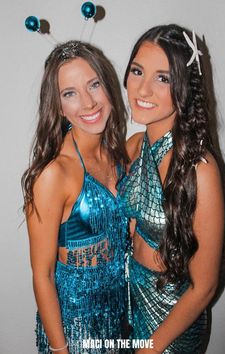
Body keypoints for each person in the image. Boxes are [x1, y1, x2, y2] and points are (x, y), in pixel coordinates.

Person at [118, 24, 224, 353]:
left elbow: (204, 288)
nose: (143, 89)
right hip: (130, 305)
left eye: (162, 78)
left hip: (171, 324)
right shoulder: (135, 145)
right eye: (137, 71)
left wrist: (150, 348)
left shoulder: (200, 170)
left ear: (184, 87)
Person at [22, 40, 130, 354]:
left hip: (120, 321)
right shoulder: (54, 174)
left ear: (108, 86)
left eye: (94, 85)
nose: (88, 103)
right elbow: (42, 275)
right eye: (70, 93)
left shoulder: (118, 155)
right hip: (75, 331)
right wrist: (60, 350)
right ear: (58, 107)